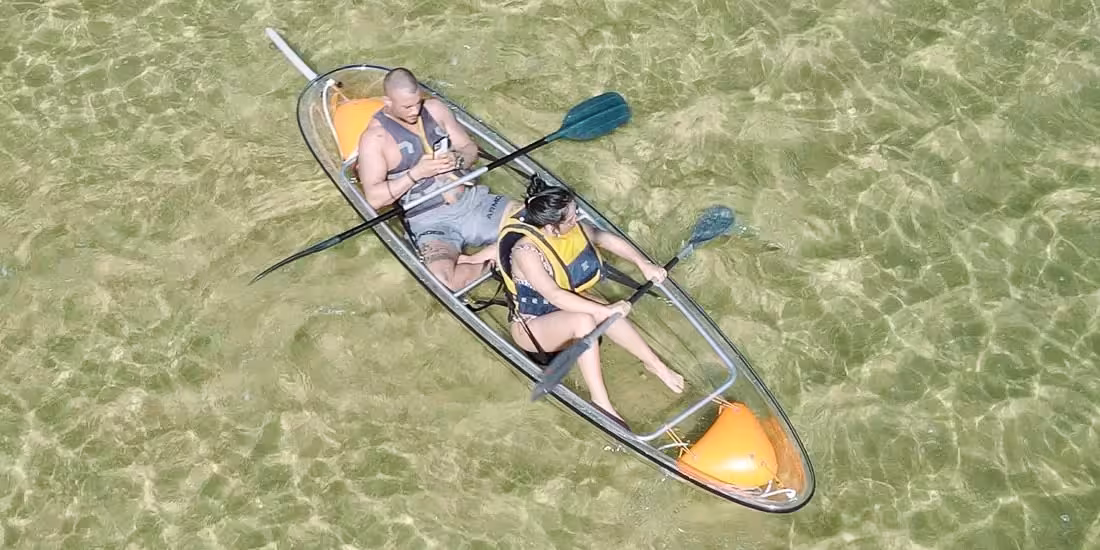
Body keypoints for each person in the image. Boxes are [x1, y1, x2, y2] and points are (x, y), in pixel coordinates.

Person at [491, 176, 685, 424]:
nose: (576, 220)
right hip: (532, 326)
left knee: (604, 313)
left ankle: (656, 366)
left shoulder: (569, 230)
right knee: (588, 318)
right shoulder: (526, 251)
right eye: (571, 218)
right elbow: (555, 295)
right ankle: (601, 403)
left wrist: (643, 263)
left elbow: (605, 239)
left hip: (565, 312)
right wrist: (606, 309)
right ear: (551, 228)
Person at [356, 67, 519, 290]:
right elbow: (374, 199)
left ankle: (497, 253)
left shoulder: (434, 109)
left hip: (473, 203)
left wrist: (459, 159)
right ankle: (496, 258)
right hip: (430, 222)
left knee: (540, 220)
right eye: (407, 107)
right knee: (443, 280)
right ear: (387, 101)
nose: (415, 111)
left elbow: (470, 148)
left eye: (417, 103)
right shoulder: (375, 138)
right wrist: (416, 174)